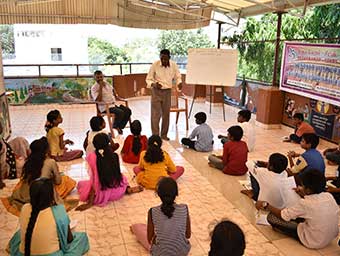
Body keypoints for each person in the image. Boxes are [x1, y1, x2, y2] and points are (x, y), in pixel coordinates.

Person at [256, 169, 339, 249]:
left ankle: (287, 231)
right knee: (302, 215)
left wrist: (266, 205)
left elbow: (283, 215)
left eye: (302, 186)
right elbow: (314, 202)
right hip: (330, 237)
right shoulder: (329, 196)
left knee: (271, 217)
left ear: (308, 190)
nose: (300, 187)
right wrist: (303, 194)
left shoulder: (305, 203)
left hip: (314, 240)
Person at [9, 178, 89, 255]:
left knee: (19, 234)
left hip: (24, 253)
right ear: (51, 196)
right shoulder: (59, 211)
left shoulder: (25, 208)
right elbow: (69, 239)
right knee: (81, 237)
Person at [1, 137, 76, 217]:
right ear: (46, 151)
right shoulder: (50, 162)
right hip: (42, 195)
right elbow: (58, 181)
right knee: (67, 180)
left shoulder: (28, 162)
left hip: (26, 195)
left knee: (22, 182)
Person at [76, 133, 143, 211]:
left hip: (101, 194)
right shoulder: (114, 155)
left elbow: (95, 181)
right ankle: (127, 189)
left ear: (94, 145)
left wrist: (90, 203)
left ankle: (126, 189)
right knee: (122, 177)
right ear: (108, 143)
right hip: (118, 192)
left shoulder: (92, 157)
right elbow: (118, 175)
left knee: (80, 184)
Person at [130, 177, 191, 255]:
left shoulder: (152, 211)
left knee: (137, 227)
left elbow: (149, 240)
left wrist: (159, 236)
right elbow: (188, 235)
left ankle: (135, 227)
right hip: (182, 252)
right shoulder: (184, 208)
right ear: (176, 193)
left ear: (158, 194)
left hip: (160, 253)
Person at [146, 49, 182, 141]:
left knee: (166, 114)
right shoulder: (155, 65)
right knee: (155, 114)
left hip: (167, 92)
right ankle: (155, 136)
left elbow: (178, 76)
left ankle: (164, 135)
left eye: (166, 59)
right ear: (160, 57)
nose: (164, 61)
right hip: (156, 91)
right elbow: (148, 79)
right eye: (162, 59)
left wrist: (179, 83)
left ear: (169, 58)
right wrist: (154, 84)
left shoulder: (173, 65)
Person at [91, 70, 132, 134]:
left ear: (103, 76)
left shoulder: (107, 83)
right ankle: (115, 126)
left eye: (101, 77)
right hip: (105, 107)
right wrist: (101, 88)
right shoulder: (94, 88)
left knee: (128, 111)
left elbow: (113, 90)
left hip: (113, 105)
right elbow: (98, 100)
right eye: (98, 77)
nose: (100, 79)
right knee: (120, 112)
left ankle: (119, 126)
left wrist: (117, 97)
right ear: (95, 78)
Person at [0, 122, 30, 188]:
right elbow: (2, 163)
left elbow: (6, 149)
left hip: (8, 157)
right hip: (5, 168)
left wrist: (14, 155)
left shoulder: (2, 142)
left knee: (20, 140)